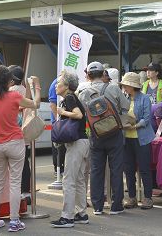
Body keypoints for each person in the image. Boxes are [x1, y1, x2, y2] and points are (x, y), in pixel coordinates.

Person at [0, 65, 41, 232]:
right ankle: (14, 221)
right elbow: (36, 104)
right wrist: (36, 85)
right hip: (15, 142)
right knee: (15, 183)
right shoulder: (14, 96)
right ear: (6, 80)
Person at [78, 62, 129, 215]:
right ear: (103, 73)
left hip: (96, 135)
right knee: (116, 169)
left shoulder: (83, 92)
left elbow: (82, 114)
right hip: (114, 133)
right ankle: (116, 205)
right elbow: (125, 106)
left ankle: (97, 206)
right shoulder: (113, 88)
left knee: (96, 170)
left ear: (88, 75)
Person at [50, 71, 90, 228]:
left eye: (58, 83)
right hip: (83, 141)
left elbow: (78, 115)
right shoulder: (73, 97)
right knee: (79, 180)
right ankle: (82, 213)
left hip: (76, 143)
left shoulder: (69, 98)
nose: (55, 86)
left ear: (66, 86)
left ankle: (67, 217)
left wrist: (61, 112)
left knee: (68, 180)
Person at [120, 72, 156, 210]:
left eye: (126, 85)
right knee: (128, 169)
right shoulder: (124, 98)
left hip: (142, 138)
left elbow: (147, 118)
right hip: (126, 138)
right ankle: (132, 197)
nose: (124, 87)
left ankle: (148, 197)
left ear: (132, 86)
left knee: (144, 168)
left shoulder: (145, 98)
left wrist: (134, 125)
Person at [8, 65, 31, 201]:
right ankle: (26, 192)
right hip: (25, 131)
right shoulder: (25, 90)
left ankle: (15, 194)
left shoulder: (10, 91)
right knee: (25, 163)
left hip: (12, 133)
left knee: (13, 165)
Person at [49, 78, 66, 176]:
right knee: (59, 146)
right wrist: (57, 120)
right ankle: (58, 168)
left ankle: (62, 168)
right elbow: (52, 104)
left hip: (67, 121)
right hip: (58, 121)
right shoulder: (55, 83)